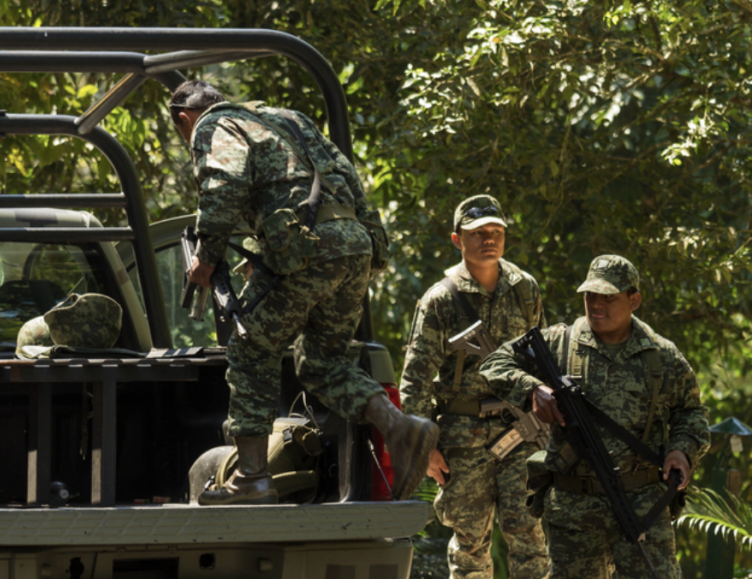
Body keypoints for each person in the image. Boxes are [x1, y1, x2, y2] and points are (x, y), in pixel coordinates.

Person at [170, 80, 439, 505]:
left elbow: (224, 183)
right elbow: (345, 177)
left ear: (184, 119)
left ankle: (253, 478)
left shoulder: (213, 125)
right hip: (354, 247)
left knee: (251, 349)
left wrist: (206, 256)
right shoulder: (286, 119)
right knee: (321, 361)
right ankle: (401, 427)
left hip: (307, 252)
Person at [479, 255, 710, 578]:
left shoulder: (661, 355)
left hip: (641, 505)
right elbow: (493, 364)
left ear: (634, 300)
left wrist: (681, 450)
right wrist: (533, 390)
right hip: (574, 510)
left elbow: (692, 414)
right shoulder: (561, 342)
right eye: (590, 296)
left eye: (609, 297)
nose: (596, 305)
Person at [399, 194, 549, 578]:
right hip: (462, 441)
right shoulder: (440, 300)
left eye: (496, 231)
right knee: (469, 547)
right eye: (478, 232)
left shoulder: (524, 289)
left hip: (523, 433)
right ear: (457, 240)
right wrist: (425, 449)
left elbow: (542, 360)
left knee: (531, 537)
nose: (489, 239)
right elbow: (414, 383)